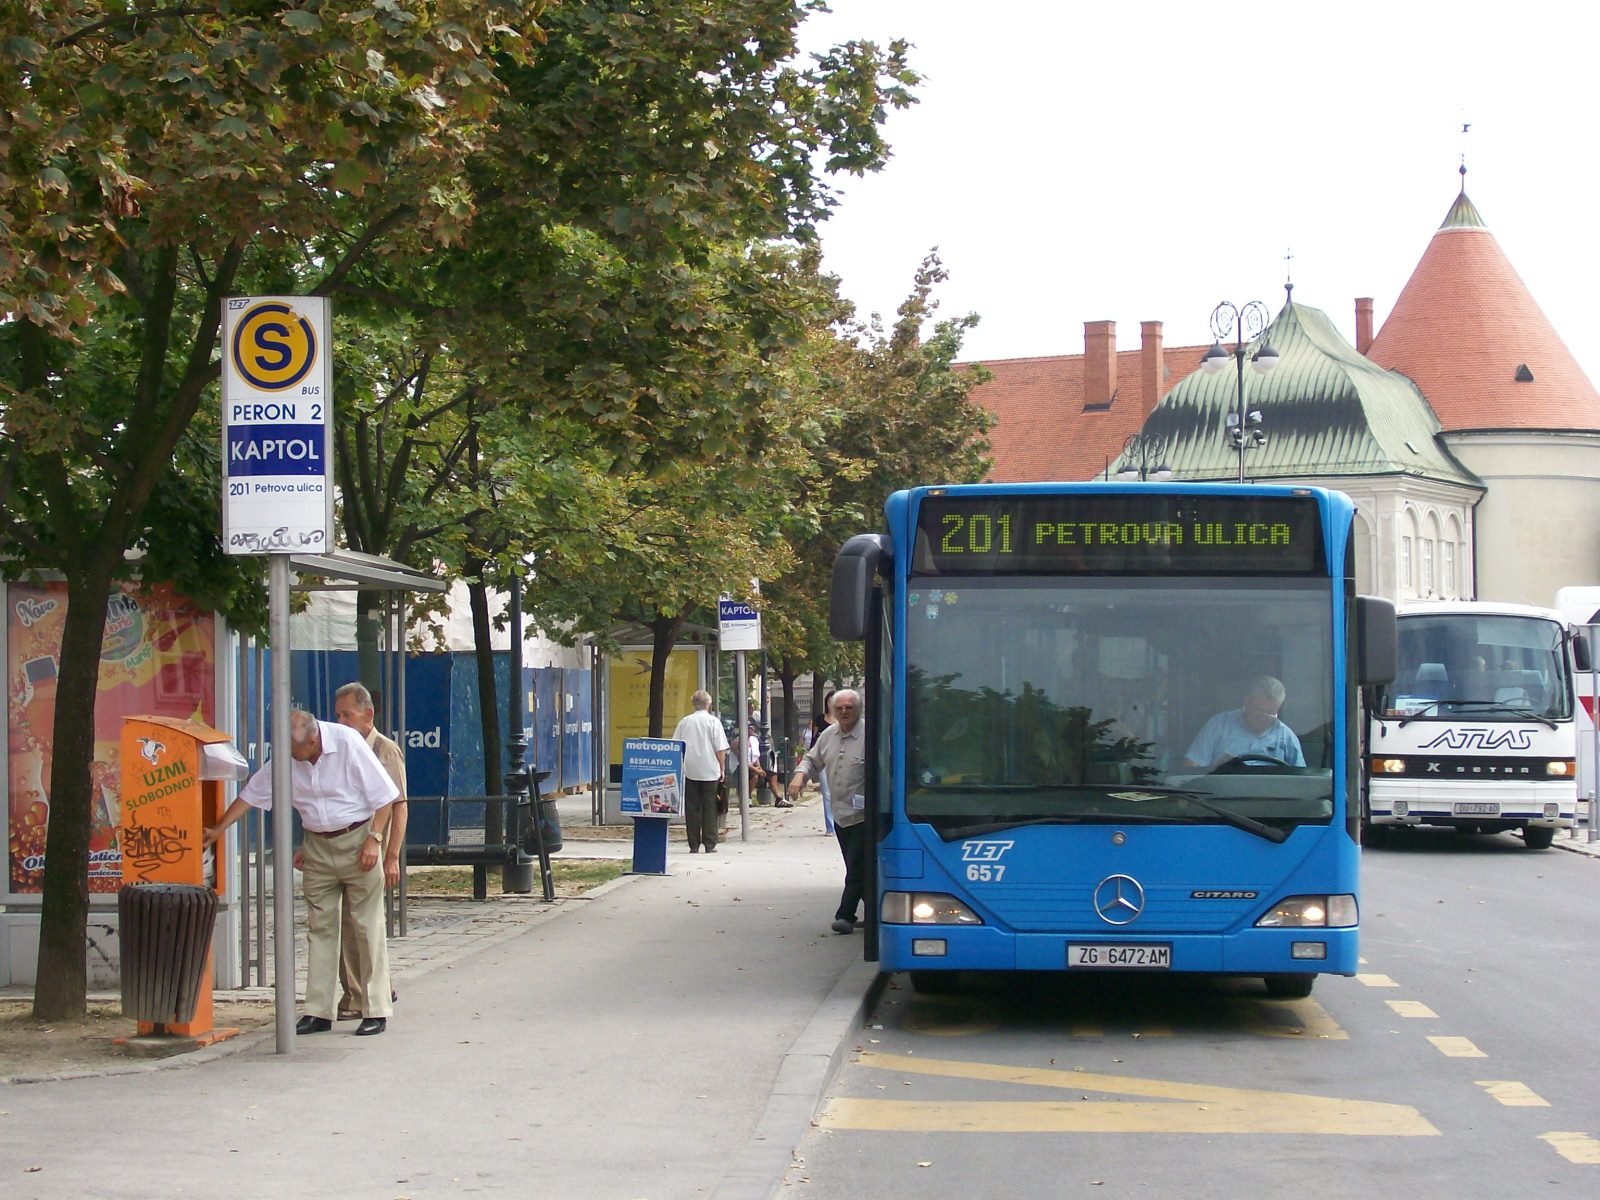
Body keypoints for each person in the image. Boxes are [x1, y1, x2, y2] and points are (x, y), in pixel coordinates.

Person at [204, 709, 399, 1036]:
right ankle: (318, 1010)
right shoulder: (287, 755)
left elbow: (385, 797)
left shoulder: (347, 742)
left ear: (314, 740)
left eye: (297, 752)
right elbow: (253, 793)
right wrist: (220, 828)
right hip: (317, 846)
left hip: (357, 839)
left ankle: (375, 1007)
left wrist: (374, 840)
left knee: (367, 925)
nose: (292, 759)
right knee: (320, 928)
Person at [333, 682, 407, 1020]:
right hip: (347, 847)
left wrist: (392, 856)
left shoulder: (384, 750)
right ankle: (362, 991)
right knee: (350, 923)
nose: (341, 722)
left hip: (373, 848)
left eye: (347, 715)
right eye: (337, 716)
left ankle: (363, 996)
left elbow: (399, 805)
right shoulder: (342, 749)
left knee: (363, 923)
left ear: (368, 715)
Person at [786, 688, 866, 934]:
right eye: (838, 708)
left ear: (858, 709)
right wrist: (799, 777)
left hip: (866, 815)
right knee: (858, 867)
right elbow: (811, 759)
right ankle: (876, 913)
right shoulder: (828, 735)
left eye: (848, 708)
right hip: (841, 815)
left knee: (857, 867)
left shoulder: (870, 734)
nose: (843, 712)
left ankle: (845, 916)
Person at [1180, 675, 1305, 769]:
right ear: (1246, 701)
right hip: (1220, 799)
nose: (1264, 718)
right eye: (1259, 711)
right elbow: (1190, 767)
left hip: (1271, 801)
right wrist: (1213, 771)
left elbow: (1301, 781)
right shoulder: (1218, 726)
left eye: (1271, 714)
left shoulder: (1286, 737)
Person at [670, 690, 728, 853]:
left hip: (690, 769)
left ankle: (693, 844)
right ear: (708, 704)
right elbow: (720, 749)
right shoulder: (713, 722)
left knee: (692, 807)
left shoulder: (684, 722)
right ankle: (710, 843)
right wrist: (722, 768)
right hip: (710, 769)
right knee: (710, 806)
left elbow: (676, 746)